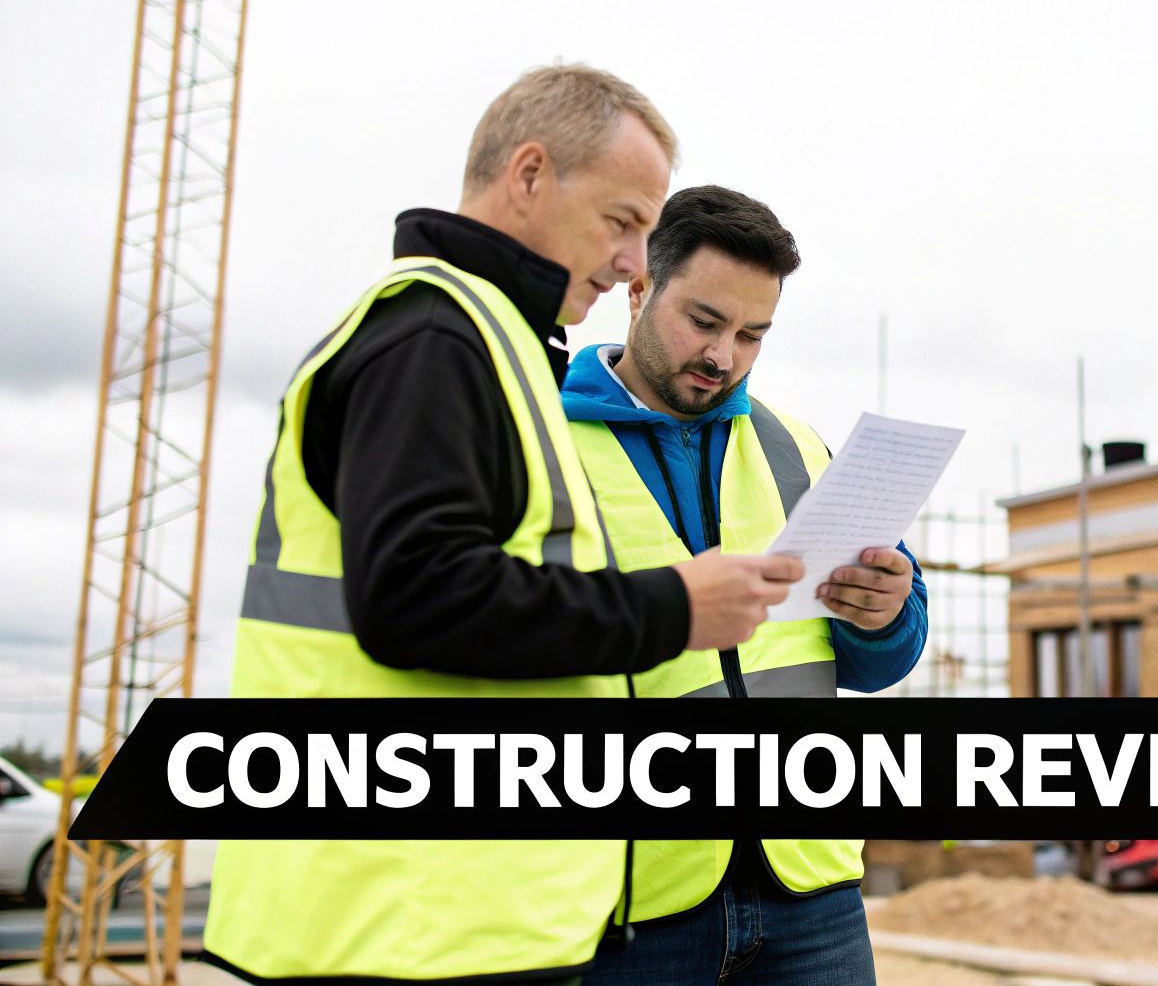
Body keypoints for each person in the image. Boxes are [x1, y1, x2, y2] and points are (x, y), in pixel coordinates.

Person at [203, 67, 805, 983]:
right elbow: (416, 597)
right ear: (528, 175)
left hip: (441, 909)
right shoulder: (435, 341)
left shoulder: (489, 342)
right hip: (400, 914)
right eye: (621, 221)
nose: (632, 262)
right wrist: (673, 608)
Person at [561, 185, 926, 984]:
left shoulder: (798, 448)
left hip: (811, 893)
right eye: (704, 321)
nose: (724, 356)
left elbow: (879, 662)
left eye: (752, 335)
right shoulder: (542, 448)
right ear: (638, 289)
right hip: (632, 902)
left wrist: (884, 616)